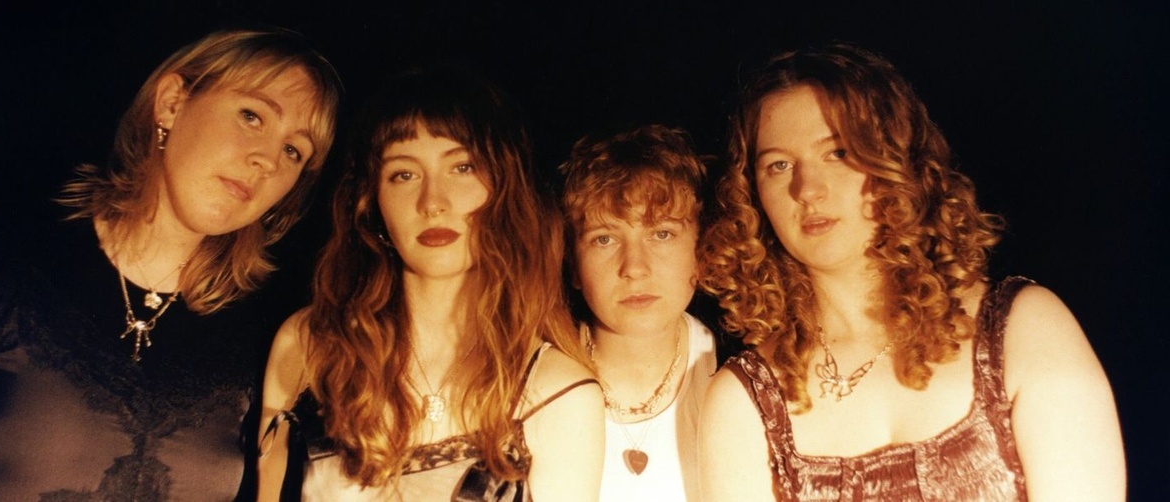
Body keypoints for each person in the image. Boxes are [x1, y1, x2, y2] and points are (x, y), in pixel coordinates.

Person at [697, 43, 1125, 501]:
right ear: (751, 195)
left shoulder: (1025, 330)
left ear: (894, 160)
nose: (808, 189)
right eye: (779, 165)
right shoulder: (743, 402)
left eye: (838, 152)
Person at [0, 28, 341, 500]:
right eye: (252, 116)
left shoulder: (272, 337)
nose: (267, 159)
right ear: (171, 103)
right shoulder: (5, 255)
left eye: (294, 151)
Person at [258, 66, 604, 501]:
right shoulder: (310, 345)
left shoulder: (558, 391)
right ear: (373, 202)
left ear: (504, 189)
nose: (432, 202)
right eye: (404, 174)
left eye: (462, 167)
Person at [558, 125, 727, 502]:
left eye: (661, 234)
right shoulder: (539, 378)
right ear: (573, 265)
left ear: (700, 248)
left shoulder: (736, 367)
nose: (634, 267)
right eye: (604, 239)